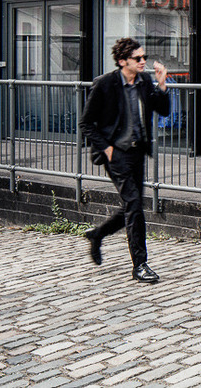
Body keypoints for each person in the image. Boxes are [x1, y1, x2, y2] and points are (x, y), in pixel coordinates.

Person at [81, 37, 170, 283]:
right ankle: (140, 265)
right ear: (122, 61)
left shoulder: (143, 81)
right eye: (138, 58)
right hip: (116, 154)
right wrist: (107, 149)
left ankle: (98, 234)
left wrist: (162, 85)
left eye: (144, 57)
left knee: (132, 207)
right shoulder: (105, 84)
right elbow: (86, 124)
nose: (144, 62)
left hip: (137, 153)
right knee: (134, 205)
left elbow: (162, 110)